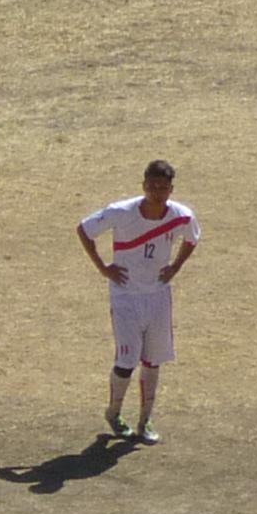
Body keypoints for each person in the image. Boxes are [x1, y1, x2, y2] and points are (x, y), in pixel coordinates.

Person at [77, 162, 199, 445]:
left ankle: (145, 420)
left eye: (163, 188)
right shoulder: (121, 212)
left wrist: (175, 267)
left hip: (157, 295)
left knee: (154, 359)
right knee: (127, 359)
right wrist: (103, 267)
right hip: (126, 296)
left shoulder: (181, 216)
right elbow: (84, 230)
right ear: (144, 185)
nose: (157, 193)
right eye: (152, 186)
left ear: (171, 189)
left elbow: (192, 239)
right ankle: (114, 412)